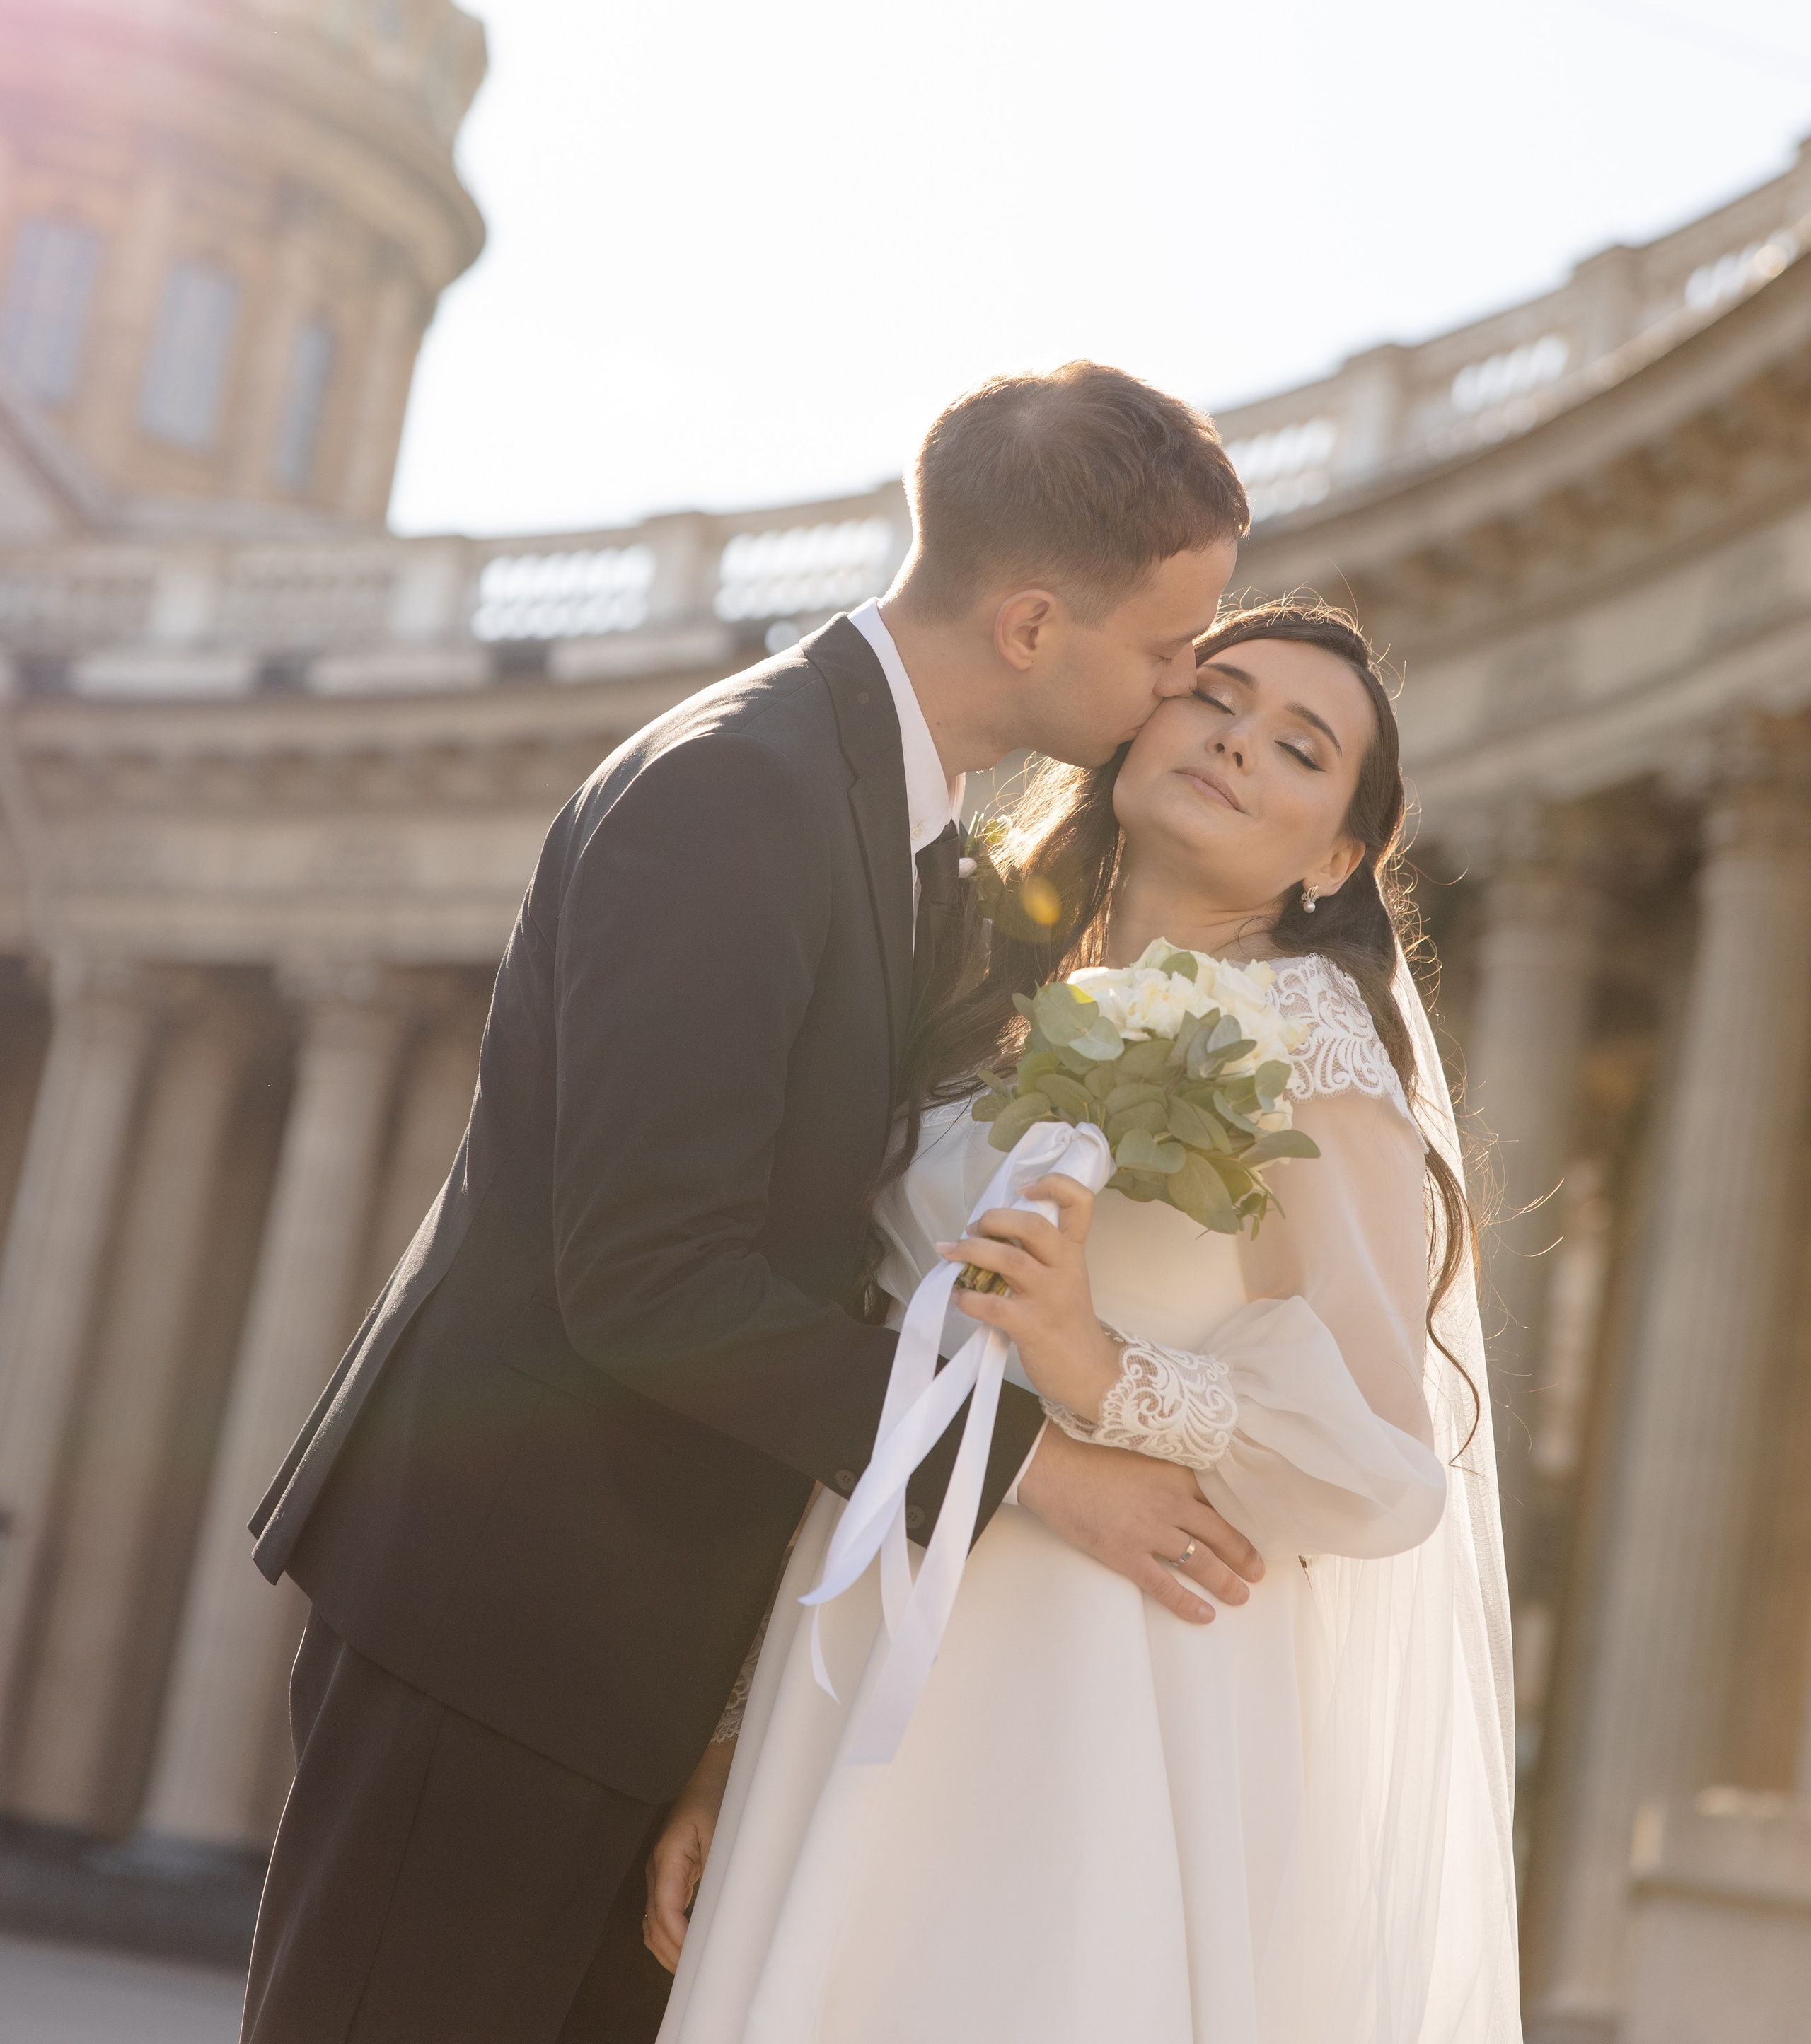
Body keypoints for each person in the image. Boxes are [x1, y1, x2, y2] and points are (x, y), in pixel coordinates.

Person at [238, 362, 1250, 2044]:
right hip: (505, 1627)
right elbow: (651, 1280)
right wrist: (1034, 1473)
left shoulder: (895, 817)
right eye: (1163, 651)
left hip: (633, 1651)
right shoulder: (737, 793)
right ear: (1024, 624)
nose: (1179, 691)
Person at [645, 602, 1520, 2044]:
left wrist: (1096, 1368)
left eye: (1295, 749)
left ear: (1336, 856)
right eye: (1214, 701)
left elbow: (1382, 1473)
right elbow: (868, 1380)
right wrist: (739, 1731)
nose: (1235, 742)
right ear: (1141, 722)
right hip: (864, 1643)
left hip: (1103, 1683)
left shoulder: (1314, 1056)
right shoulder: (988, 1003)